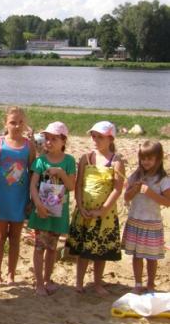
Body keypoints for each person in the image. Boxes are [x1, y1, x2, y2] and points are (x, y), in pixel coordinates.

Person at [68, 121, 125, 296]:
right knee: (83, 250)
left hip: (104, 215)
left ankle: (97, 283)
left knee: (101, 251)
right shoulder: (85, 158)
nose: (95, 140)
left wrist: (103, 209)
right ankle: (79, 282)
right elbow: (79, 184)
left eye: (100, 137)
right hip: (85, 211)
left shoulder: (116, 161)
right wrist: (80, 205)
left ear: (110, 139)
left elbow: (117, 189)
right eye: (93, 136)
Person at [0, 107, 35, 287]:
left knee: (15, 238)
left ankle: (11, 274)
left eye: (21, 122)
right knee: (0, 237)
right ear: (5, 123)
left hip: (20, 199)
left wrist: (31, 200)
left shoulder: (29, 146)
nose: (17, 126)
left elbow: (33, 174)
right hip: (1, 198)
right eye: (13, 122)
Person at [28, 122, 76, 296]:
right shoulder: (40, 161)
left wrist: (61, 173)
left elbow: (71, 186)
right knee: (39, 247)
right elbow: (33, 185)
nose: (48, 142)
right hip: (41, 212)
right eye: (47, 138)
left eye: (54, 139)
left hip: (58, 213)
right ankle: (39, 283)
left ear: (63, 141)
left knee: (52, 248)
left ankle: (47, 280)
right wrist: (38, 204)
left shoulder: (69, 161)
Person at [122, 141, 170, 293]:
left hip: (152, 224)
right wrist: (134, 189)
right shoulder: (135, 176)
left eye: (150, 158)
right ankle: (138, 283)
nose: (146, 162)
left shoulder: (162, 179)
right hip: (135, 221)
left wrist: (150, 193)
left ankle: (150, 284)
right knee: (137, 255)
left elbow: (168, 202)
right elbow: (126, 197)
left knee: (151, 257)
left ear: (158, 159)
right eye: (143, 158)